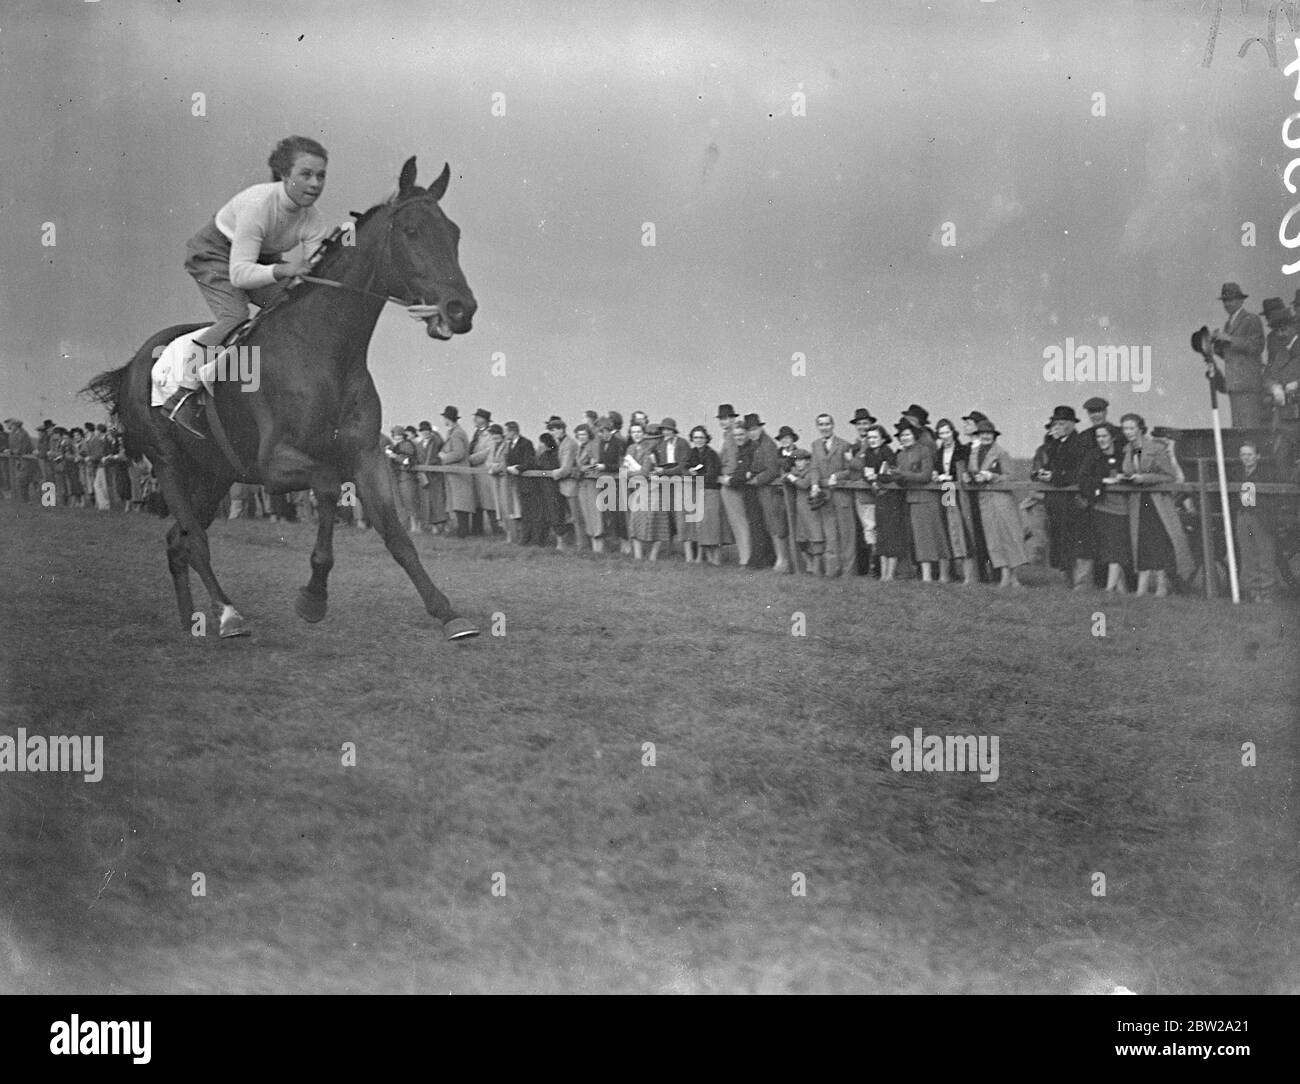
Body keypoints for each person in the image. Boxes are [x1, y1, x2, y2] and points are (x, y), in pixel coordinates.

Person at [161, 136, 333, 436]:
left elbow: (310, 279)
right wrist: (285, 269)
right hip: (215, 253)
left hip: (261, 258)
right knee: (234, 316)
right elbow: (240, 275)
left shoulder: (314, 220)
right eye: (306, 174)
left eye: (321, 175)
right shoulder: (258, 204)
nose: (315, 183)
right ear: (284, 175)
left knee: (291, 308)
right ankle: (184, 394)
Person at [1119, 412, 1195, 596]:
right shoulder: (1127, 450)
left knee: (1159, 541)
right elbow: (1128, 470)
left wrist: (1144, 478)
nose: (1128, 432)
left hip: (1157, 502)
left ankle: (1162, 585)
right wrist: (1125, 478)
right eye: (1125, 428)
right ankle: (1142, 587)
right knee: (1142, 542)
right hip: (1138, 503)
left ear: (1140, 428)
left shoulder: (1156, 448)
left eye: (1131, 428)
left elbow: (1169, 475)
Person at [1035, 405, 1092, 588]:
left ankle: (1081, 583)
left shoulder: (1080, 443)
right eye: (1056, 423)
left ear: (1071, 424)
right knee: (1060, 541)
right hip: (1057, 502)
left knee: (1078, 541)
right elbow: (1048, 464)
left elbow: (1080, 472)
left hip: (1075, 501)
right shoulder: (1053, 444)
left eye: (1061, 423)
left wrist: (1055, 477)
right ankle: (1067, 581)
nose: (1057, 427)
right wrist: (1044, 474)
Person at [968, 419, 1027, 587]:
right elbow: (973, 472)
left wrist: (992, 476)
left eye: (989, 433)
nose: (986, 436)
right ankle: (1004, 573)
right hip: (984, 499)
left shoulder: (1001, 453)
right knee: (993, 538)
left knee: (1009, 535)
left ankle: (1013, 576)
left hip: (1001, 499)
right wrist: (971, 477)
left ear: (994, 436)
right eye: (982, 434)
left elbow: (1011, 477)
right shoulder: (974, 453)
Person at [1077, 423, 1132, 593]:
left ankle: (1114, 588)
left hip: (1123, 506)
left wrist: (1124, 477)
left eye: (1104, 436)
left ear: (1113, 437)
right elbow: (1083, 479)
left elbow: (1131, 471)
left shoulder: (1123, 453)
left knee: (1116, 548)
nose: (1101, 440)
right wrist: (1102, 481)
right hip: (1101, 506)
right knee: (1110, 548)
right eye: (1098, 437)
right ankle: (1115, 588)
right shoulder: (1092, 455)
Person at [894, 419, 950, 582]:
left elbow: (926, 476)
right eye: (902, 435)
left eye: (908, 434)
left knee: (937, 534)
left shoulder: (924, 451)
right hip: (912, 499)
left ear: (914, 435)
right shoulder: (901, 455)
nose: (905, 438)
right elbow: (903, 479)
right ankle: (926, 575)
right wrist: (896, 477)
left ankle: (944, 574)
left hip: (928, 497)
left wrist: (904, 475)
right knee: (921, 538)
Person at [1229, 441, 1280, 603]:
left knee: (1264, 552)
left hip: (1261, 516)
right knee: (1247, 553)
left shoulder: (1267, 473)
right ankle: (1253, 591)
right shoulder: (1237, 473)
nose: (1247, 458)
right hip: (1243, 515)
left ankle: (1267, 591)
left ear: (1257, 456)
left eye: (1250, 455)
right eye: (1243, 455)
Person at [741, 413, 793, 573]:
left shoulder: (768, 445)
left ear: (761, 428)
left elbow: (772, 469)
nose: (752, 433)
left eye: (755, 429)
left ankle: (783, 561)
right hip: (762, 490)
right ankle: (779, 559)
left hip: (769, 489)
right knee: (770, 524)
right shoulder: (755, 444)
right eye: (749, 430)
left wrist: (756, 480)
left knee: (776, 524)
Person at [1211, 282, 1266, 429]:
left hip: (1248, 385)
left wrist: (1229, 339)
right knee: (1238, 429)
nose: (1227, 304)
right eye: (1225, 301)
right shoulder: (1228, 323)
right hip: (1235, 385)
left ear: (1241, 300)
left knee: (1249, 428)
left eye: (1231, 300)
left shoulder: (1251, 319)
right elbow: (1231, 355)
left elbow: (1257, 346)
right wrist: (1216, 346)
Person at [810, 413, 858, 577]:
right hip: (824, 495)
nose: (824, 427)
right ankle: (832, 570)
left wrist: (836, 476)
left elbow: (850, 470)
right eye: (821, 425)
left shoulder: (844, 445)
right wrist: (815, 484)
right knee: (830, 534)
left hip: (841, 495)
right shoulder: (815, 445)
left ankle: (848, 571)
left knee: (847, 534)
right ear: (818, 427)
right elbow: (814, 468)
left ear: (833, 425)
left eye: (827, 424)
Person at [932, 418, 978, 585]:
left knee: (961, 528)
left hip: (959, 491)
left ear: (953, 432)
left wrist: (949, 477)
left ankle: (969, 576)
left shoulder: (962, 450)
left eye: (947, 432)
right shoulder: (939, 452)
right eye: (941, 433)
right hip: (947, 491)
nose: (945, 436)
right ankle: (945, 574)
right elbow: (937, 469)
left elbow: (965, 471)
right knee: (948, 526)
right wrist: (937, 475)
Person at [624, 420, 670, 560]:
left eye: (655, 439)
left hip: (654, 487)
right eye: (649, 439)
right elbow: (626, 469)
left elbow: (644, 472)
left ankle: (653, 556)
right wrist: (631, 473)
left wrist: (630, 473)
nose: (652, 441)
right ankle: (639, 556)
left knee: (656, 521)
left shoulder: (655, 451)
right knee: (636, 521)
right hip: (639, 488)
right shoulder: (631, 448)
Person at [681, 425, 724, 564]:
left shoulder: (712, 454)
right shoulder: (691, 452)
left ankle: (716, 558)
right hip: (696, 490)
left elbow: (712, 474)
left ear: (706, 439)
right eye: (695, 438)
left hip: (710, 490)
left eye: (701, 437)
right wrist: (689, 472)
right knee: (700, 524)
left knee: (711, 524)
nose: (698, 440)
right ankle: (704, 557)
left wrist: (696, 475)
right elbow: (684, 467)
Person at [715, 404, 752, 567]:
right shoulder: (727, 436)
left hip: (732, 483)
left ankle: (746, 558)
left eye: (727, 418)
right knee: (738, 522)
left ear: (734, 418)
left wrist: (724, 476)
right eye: (722, 419)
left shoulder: (733, 436)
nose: (724, 421)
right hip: (731, 481)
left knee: (739, 521)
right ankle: (745, 556)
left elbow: (733, 460)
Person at [650, 417, 691, 553]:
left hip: (679, 482)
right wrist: (657, 471)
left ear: (674, 431)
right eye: (664, 430)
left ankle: (688, 552)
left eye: (668, 430)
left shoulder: (682, 443)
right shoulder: (660, 445)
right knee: (668, 514)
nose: (666, 432)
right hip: (666, 483)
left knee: (681, 515)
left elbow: (683, 465)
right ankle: (670, 548)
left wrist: (665, 471)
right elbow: (658, 463)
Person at [784, 448, 826, 575]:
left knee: (815, 537)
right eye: (796, 461)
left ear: (807, 461)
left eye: (801, 460)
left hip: (811, 509)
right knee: (802, 538)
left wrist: (792, 478)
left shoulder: (812, 471)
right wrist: (790, 476)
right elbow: (785, 478)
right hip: (800, 510)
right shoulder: (794, 472)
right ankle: (809, 565)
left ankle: (817, 568)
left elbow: (805, 484)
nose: (799, 463)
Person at [547, 416, 585, 550]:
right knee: (567, 516)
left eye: (554, 430)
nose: (552, 432)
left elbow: (566, 468)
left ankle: (581, 544)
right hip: (562, 484)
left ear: (562, 429)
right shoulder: (557, 443)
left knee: (576, 516)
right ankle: (572, 542)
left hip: (570, 484)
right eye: (550, 430)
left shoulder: (569, 444)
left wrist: (551, 474)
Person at [438, 406, 475, 537]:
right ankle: (461, 531)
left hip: (459, 474)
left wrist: (444, 457)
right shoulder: (453, 432)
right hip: (455, 474)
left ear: (448, 419)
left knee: (461, 505)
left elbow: (459, 453)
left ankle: (463, 532)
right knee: (458, 504)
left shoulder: (457, 433)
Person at [574, 421, 607, 553]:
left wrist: (582, 468)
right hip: (582, 482)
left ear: (589, 435)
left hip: (592, 481)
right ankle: (593, 543)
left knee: (595, 512)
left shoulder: (593, 446)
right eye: (579, 434)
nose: (582, 436)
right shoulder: (579, 447)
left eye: (584, 434)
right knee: (586, 511)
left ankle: (599, 545)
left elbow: (596, 463)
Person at [503, 422, 537, 544]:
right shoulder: (510, 445)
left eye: (506, 431)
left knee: (528, 510)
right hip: (516, 482)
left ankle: (528, 538)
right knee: (522, 510)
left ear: (513, 431)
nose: (505, 434)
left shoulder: (526, 443)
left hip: (526, 482)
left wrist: (518, 468)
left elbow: (530, 461)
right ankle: (524, 537)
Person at [385, 425, 421, 534]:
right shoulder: (395, 446)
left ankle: (416, 526)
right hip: (399, 478)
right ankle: (407, 526)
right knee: (402, 504)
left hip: (406, 478)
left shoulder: (407, 445)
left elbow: (407, 460)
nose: (396, 437)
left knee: (410, 502)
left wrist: (394, 456)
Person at [415, 420, 447, 535]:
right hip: (424, 476)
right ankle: (433, 526)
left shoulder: (435, 442)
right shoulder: (418, 445)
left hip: (435, 476)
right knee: (427, 502)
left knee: (437, 501)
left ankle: (441, 524)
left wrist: (435, 433)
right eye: (422, 431)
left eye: (427, 430)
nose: (425, 433)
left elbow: (441, 442)